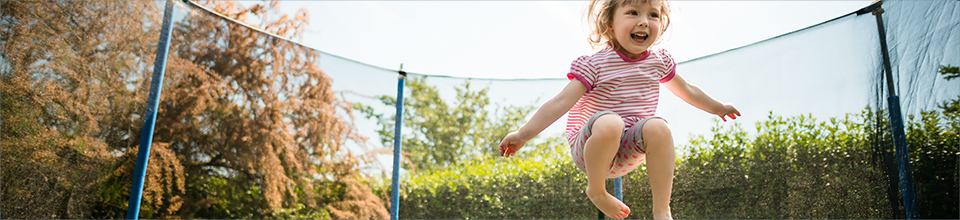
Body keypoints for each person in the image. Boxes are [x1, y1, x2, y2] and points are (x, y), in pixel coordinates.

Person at [497, 0, 741, 219]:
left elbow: (687, 89)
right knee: (611, 122)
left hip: (628, 150)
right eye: (633, 12)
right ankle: (597, 190)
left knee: (659, 126)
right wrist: (523, 134)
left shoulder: (658, 62)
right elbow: (561, 102)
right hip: (590, 147)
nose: (644, 22)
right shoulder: (596, 64)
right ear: (610, 25)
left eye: (653, 15)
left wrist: (718, 107)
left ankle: (662, 211)